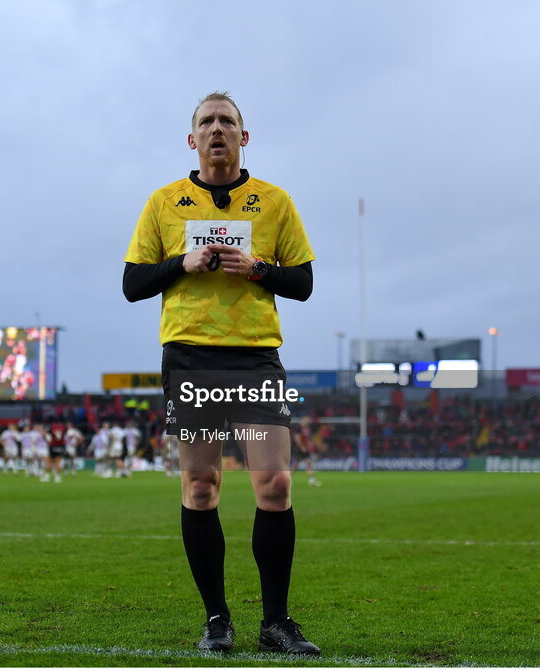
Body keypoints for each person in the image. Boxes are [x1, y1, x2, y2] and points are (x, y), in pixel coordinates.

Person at [122, 92, 319, 654]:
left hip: (254, 357)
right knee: (201, 487)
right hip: (191, 357)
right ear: (192, 140)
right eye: (206, 122)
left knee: (275, 485)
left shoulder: (274, 202)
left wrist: (259, 270)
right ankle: (217, 619)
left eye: (227, 122)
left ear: (243, 137)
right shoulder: (165, 203)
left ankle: (276, 622)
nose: (216, 130)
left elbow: (302, 283)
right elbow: (134, 284)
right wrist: (179, 263)